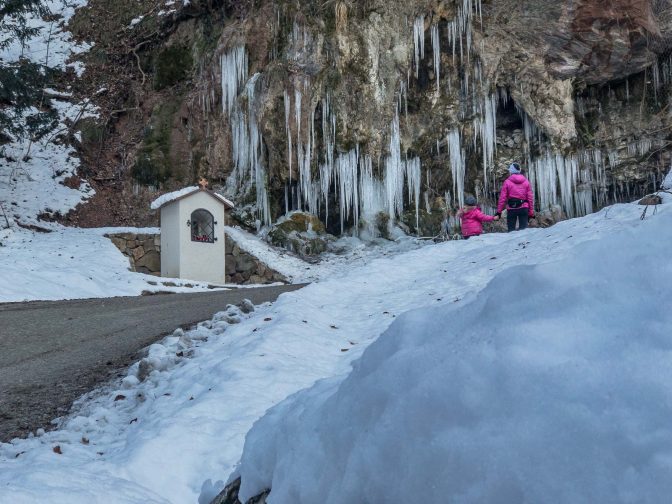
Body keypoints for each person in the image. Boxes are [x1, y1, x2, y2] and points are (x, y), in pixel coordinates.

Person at [496, 162, 535, 232]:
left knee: (511, 231)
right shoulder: (526, 181)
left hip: (512, 208)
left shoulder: (507, 182)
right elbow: (530, 198)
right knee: (524, 231)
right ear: (519, 170)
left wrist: (499, 212)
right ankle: (523, 243)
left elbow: (502, 198)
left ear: (511, 171)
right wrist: (531, 212)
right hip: (524, 208)